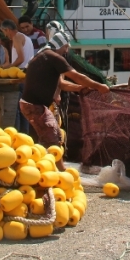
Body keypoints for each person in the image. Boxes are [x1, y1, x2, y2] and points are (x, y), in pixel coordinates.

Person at [20, 31, 109, 169]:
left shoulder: (44, 55)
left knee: (48, 137)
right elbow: (76, 76)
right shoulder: (54, 57)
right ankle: (61, 173)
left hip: (30, 104)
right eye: (66, 47)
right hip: (34, 106)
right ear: (61, 45)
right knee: (53, 137)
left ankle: (44, 168)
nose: (67, 50)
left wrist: (80, 88)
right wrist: (99, 86)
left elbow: (62, 84)